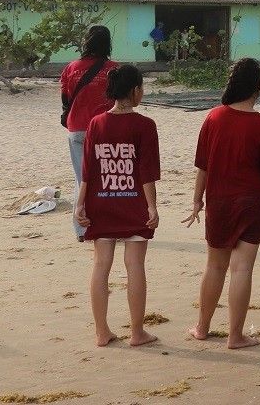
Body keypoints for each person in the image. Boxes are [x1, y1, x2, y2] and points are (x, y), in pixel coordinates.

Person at [184, 58, 260, 349]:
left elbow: (201, 165)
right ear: (257, 87)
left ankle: (202, 327)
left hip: (219, 201)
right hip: (252, 203)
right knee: (242, 269)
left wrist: (196, 201)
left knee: (214, 267)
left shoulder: (214, 117)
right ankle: (235, 336)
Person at [74, 64, 159, 347]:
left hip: (102, 202)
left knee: (101, 265)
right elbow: (146, 172)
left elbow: (88, 170)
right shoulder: (145, 125)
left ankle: (102, 332)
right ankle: (137, 333)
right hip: (133, 202)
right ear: (135, 91)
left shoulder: (96, 123)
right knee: (135, 265)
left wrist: (80, 205)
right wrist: (152, 207)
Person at [62, 25, 119, 240]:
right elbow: (121, 99)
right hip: (107, 129)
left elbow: (65, 99)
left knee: (82, 179)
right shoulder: (114, 69)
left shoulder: (71, 68)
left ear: (86, 42)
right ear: (108, 44)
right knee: (109, 178)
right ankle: (111, 225)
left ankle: (82, 231)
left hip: (76, 128)